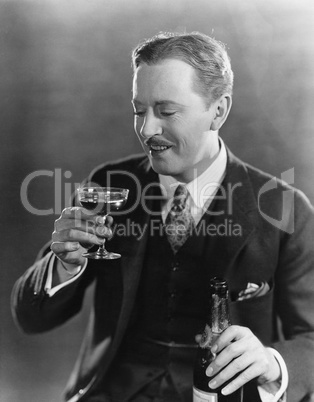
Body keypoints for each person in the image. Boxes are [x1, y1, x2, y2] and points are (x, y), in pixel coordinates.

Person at [11, 32, 314, 402]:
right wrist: (63, 266)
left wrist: (270, 362)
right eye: (139, 110)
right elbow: (31, 319)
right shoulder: (108, 186)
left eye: (167, 112)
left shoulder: (285, 209)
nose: (147, 129)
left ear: (218, 110)